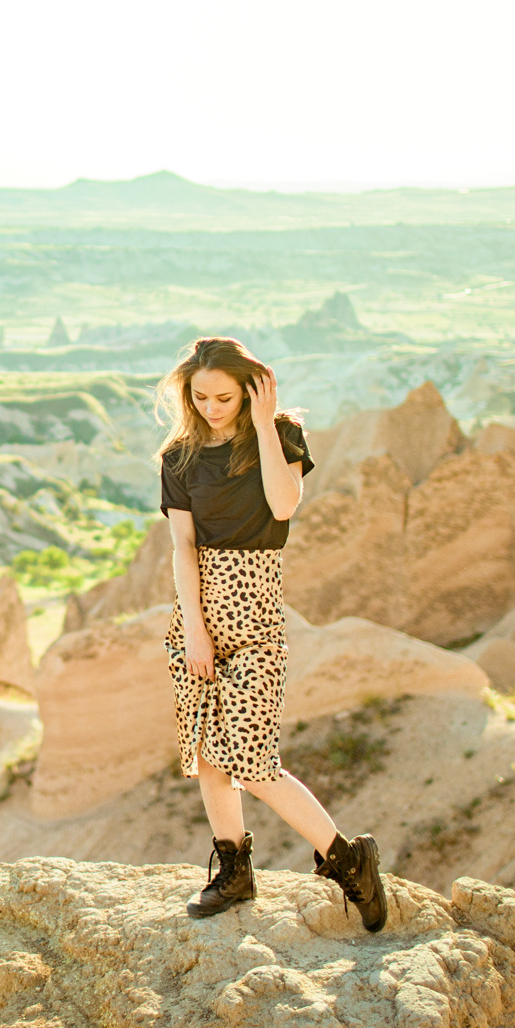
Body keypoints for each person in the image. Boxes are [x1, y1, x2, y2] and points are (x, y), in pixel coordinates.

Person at [157, 335, 387, 929]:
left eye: (225, 396)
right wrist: (196, 631)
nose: (211, 407)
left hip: (256, 611)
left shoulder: (280, 435)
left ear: (250, 389)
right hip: (198, 612)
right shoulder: (178, 457)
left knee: (253, 763)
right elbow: (182, 546)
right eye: (200, 396)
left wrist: (261, 423)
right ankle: (235, 873)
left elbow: (283, 506)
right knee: (210, 753)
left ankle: (347, 860)